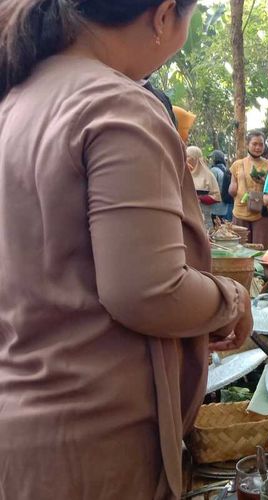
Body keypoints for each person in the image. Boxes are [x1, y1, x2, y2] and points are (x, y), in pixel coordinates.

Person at [0, 1, 253, 499]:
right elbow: (149, 291)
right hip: (96, 441)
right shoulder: (117, 104)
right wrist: (231, 300)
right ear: (162, 16)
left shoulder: (16, 101)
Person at [230, 131, 268, 248]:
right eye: (254, 144)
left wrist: (265, 182)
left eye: (261, 144)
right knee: (238, 250)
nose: (258, 147)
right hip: (240, 211)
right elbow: (232, 188)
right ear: (247, 144)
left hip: (262, 213)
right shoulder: (237, 164)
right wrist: (233, 189)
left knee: (261, 249)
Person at [187, 146, 221, 230]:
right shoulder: (183, 174)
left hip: (203, 217)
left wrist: (201, 198)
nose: (186, 159)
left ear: (195, 158)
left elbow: (216, 196)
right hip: (186, 217)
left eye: (188, 156)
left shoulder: (208, 176)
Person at [207, 149, 231, 225]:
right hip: (225, 206)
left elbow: (209, 187)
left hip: (215, 206)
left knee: (215, 231)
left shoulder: (214, 170)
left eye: (211, 158)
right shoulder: (225, 169)